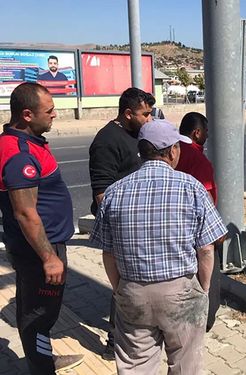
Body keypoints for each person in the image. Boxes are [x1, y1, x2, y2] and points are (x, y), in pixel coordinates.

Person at [90, 119, 227, 374]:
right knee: (186, 363)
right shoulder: (191, 187)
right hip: (181, 291)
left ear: (141, 152)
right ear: (173, 150)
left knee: (135, 364)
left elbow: (107, 252)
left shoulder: (114, 192)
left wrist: (119, 288)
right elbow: (207, 249)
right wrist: (203, 290)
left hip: (132, 292)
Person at [0, 82, 84, 373]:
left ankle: (41, 359)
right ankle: (42, 368)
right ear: (26, 115)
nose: (54, 115)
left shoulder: (26, 142)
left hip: (35, 247)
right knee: (40, 315)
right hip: (39, 250)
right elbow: (25, 213)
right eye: (48, 111)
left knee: (31, 307)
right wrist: (50, 258)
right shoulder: (19, 154)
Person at [88, 87, 155, 360]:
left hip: (141, 221)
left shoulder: (137, 134)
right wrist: (130, 218)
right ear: (128, 114)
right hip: (121, 225)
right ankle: (114, 341)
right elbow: (102, 193)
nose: (150, 119)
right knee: (124, 283)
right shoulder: (106, 141)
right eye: (145, 114)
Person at [175, 111, 221, 332]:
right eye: (206, 132)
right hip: (196, 232)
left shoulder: (171, 151)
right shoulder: (198, 159)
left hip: (173, 230)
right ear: (197, 133)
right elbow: (207, 201)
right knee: (208, 274)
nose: (208, 136)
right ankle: (206, 320)